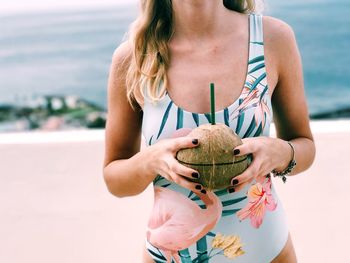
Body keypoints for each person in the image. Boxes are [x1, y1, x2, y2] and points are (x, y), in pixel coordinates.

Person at [103, 0, 316, 262]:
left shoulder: (273, 38)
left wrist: (281, 152)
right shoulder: (134, 58)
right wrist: (150, 160)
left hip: (268, 253)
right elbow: (114, 178)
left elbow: (305, 145)